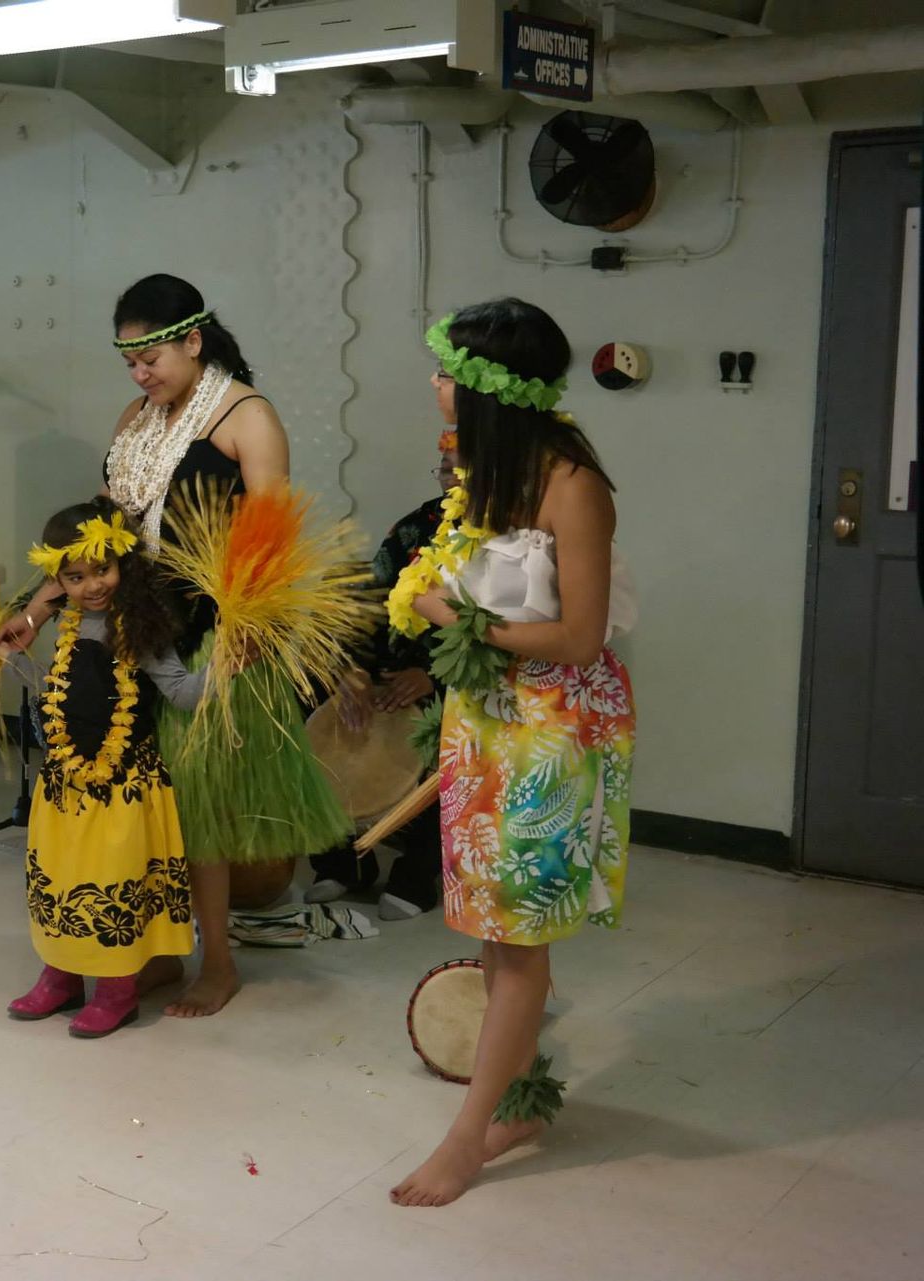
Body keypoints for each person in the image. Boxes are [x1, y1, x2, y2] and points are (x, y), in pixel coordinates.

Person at [0, 274, 350, 1018]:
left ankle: (216, 963)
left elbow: (272, 537)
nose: (140, 373)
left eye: (151, 356)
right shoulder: (138, 414)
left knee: (198, 808)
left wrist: (248, 630)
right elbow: (101, 535)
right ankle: (154, 952)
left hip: (211, 640)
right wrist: (36, 606)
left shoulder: (248, 419)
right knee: (141, 803)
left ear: (194, 339)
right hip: (130, 631)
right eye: (129, 360)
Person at [388, 299, 637, 1208]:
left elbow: (579, 637)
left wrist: (455, 619)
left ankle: (468, 1138)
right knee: (493, 928)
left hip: (550, 731)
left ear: (491, 389)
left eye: (450, 369)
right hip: (484, 719)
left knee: (518, 938)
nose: (436, 383)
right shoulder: (482, 473)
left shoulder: (572, 485)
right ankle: (519, 1103)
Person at [0, 498, 206, 1038]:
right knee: (62, 881)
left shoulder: (139, 625)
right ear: (58, 579)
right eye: (77, 575)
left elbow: (181, 693)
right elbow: (47, 690)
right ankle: (61, 976)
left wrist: (228, 664)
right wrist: (9, 655)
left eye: (103, 569)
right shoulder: (55, 623)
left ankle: (117, 990)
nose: (93, 585)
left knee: (115, 882)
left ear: (123, 563)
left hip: (126, 788)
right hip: (65, 787)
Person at [304, 429, 462, 919]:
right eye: (444, 466)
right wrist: (353, 671)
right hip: (388, 667)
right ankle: (341, 864)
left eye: (462, 467)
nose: (450, 476)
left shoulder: (510, 536)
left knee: (450, 725)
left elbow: (504, 632)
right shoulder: (417, 528)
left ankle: (417, 876)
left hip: (457, 679)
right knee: (308, 694)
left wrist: (433, 678)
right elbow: (367, 605)